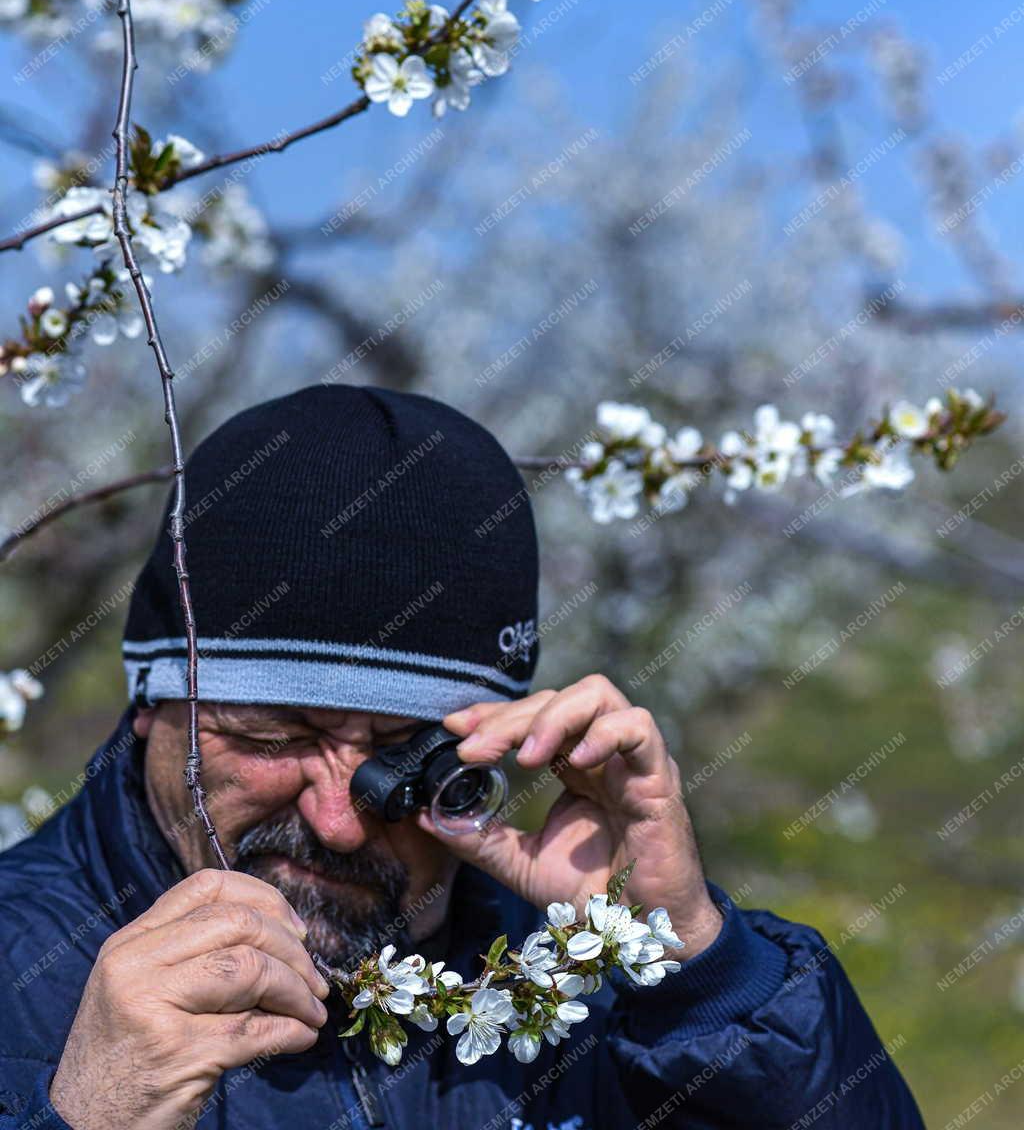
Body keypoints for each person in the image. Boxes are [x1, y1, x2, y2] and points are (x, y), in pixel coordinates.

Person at [0, 384, 925, 1129]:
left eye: (404, 760)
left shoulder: (564, 986)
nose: (336, 816)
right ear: (147, 709)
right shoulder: (22, 979)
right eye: (271, 738)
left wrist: (695, 970)